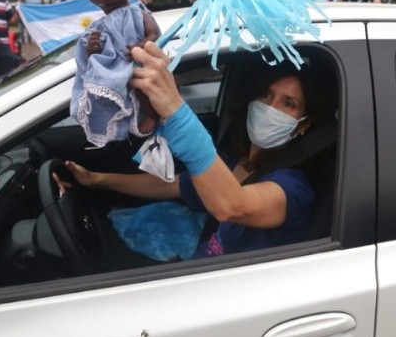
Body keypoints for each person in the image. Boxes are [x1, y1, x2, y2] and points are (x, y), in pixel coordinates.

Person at [55, 45, 332, 260]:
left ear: (302, 126)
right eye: (266, 95)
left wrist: (177, 113)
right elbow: (174, 186)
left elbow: (232, 205)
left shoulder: (294, 188)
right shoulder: (235, 161)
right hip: (199, 270)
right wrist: (99, 180)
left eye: (288, 103)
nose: (271, 107)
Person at [64, 0, 161, 147]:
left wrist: (139, 46)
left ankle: (151, 115)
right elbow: (94, 58)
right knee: (112, 89)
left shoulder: (138, 13)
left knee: (143, 87)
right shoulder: (98, 28)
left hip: (138, 62)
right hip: (116, 67)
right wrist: (93, 47)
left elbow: (154, 33)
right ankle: (120, 123)